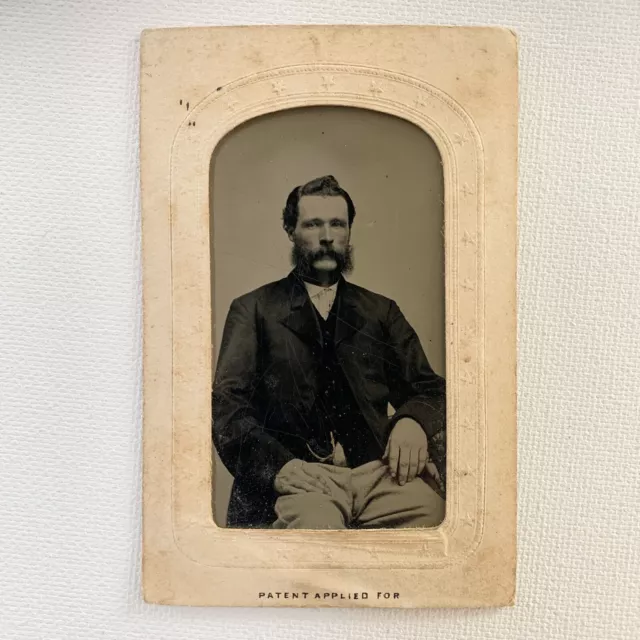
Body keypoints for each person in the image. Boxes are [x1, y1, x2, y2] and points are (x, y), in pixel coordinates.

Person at [213, 175, 446, 529]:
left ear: (349, 231)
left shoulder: (379, 312)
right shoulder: (254, 309)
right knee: (318, 531)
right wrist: (278, 468)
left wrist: (413, 421)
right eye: (312, 224)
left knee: (433, 515)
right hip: (299, 481)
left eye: (337, 224)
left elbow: (429, 389)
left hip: (375, 477)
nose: (326, 237)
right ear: (290, 230)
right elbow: (227, 409)